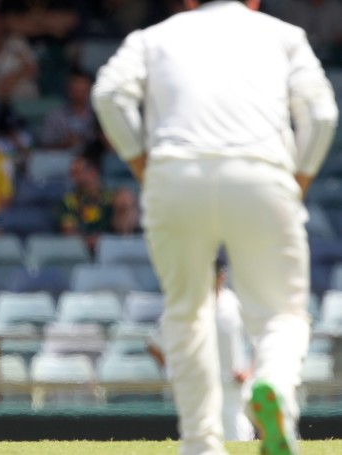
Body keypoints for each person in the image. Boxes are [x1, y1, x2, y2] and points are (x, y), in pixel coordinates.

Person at [91, 1, 339, 454]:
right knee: (282, 313)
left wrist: (140, 161)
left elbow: (108, 94)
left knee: (187, 314)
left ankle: (202, 445)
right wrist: (300, 177)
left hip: (174, 175)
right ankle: (275, 390)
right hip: (262, 174)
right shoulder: (283, 35)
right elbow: (322, 115)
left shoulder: (153, 37)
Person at [147, 258, 255, 442]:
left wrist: (249, 371)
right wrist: (174, 371)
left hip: (231, 390)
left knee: (238, 439)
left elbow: (260, 342)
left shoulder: (235, 304)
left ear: (222, 276)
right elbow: (154, 344)